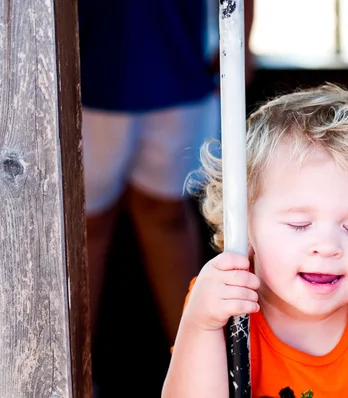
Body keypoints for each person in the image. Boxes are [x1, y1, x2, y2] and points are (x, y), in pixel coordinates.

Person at [162, 83, 348, 397]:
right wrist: (200, 326)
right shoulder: (224, 302)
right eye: (299, 224)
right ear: (245, 226)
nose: (327, 247)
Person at [77, 0, 255, 349]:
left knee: (167, 213)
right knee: (84, 225)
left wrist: (240, 42)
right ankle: (72, 373)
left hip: (179, 60)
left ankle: (197, 365)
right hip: (86, 66)